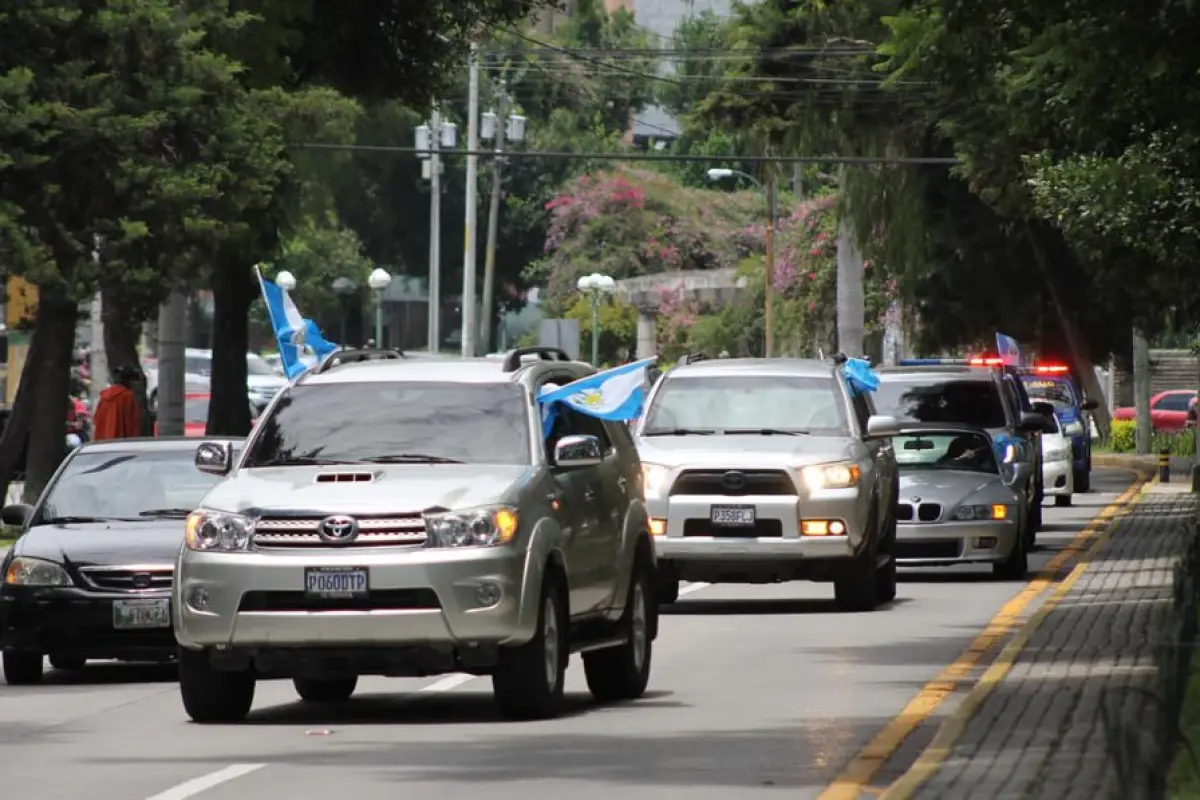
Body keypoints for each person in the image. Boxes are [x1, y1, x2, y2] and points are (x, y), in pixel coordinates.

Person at [92, 365, 142, 440]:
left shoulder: (104, 396)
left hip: (102, 442)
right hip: (120, 443)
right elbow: (132, 422)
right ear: (129, 380)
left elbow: (96, 418)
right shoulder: (127, 396)